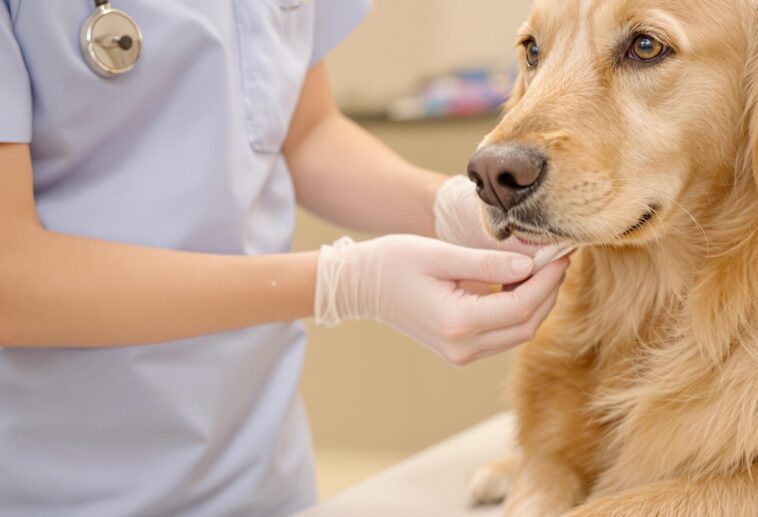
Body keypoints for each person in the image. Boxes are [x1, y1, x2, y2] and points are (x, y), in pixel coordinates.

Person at [0, 1, 568, 515]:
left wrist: (438, 205)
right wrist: (343, 283)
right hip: (58, 484)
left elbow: (305, 131)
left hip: (260, 464)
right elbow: (11, 278)